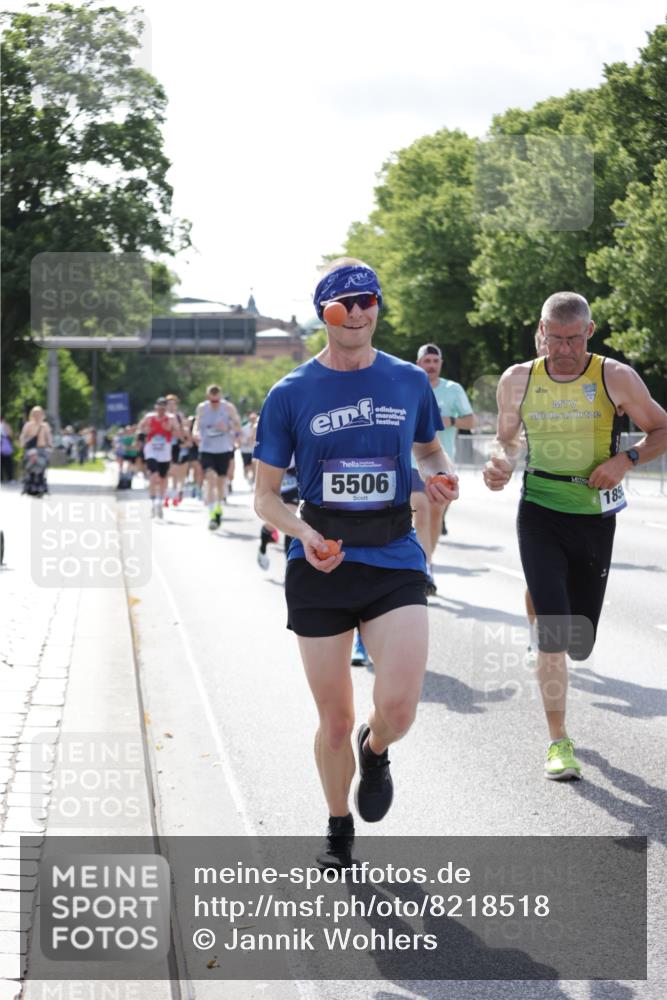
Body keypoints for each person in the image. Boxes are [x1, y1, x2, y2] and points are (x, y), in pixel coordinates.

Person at [253, 257, 458, 869]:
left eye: (369, 300)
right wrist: (302, 532)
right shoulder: (290, 393)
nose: (361, 311)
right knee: (335, 718)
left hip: (394, 554)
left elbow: (427, 449)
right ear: (325, 313)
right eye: (346, 303)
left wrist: (438, 475)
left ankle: (378, 750)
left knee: (396, 709)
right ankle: (339, 823)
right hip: (320, 561)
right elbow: (265, 496)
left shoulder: (407, 381)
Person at [483, 291, 667, 781]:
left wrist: (624, 461)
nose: (562, 350)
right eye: (553, 339)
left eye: (572, 340)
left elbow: (661, 430)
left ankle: (549, 621)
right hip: (539, 508)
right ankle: (558, 741)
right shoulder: (518, 378)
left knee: (579, 639)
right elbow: (507, 437)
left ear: (589, 332)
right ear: (540, 331)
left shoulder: (615, 377)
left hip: (593, 516)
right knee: (555, 633)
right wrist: (499, 464)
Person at [409, 344, 475, 593]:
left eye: (435, 361)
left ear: (441, 363)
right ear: (418, 363)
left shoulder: (452, 389)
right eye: (427, 360)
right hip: (412, 462)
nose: (431, 365)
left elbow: (472, 420)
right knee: (422, 513)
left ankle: (427, 561)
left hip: (442, 465)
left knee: (435, 517)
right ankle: (423, 569)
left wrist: (453, 421)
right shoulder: (410, 386)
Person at [524, 326, 548, 665]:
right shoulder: (524, 381)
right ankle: (538, 640)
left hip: (590, 501)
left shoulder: (596, 377)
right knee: (540, 577)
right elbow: (507, 436)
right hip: (539, 495)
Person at [193, 384, 241, 530]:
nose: (216, 403)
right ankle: (212, 514)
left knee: (221, 483)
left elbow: (238, 426)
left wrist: (228, 428)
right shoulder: (202, 408)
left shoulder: (228, 408)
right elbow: (197, 422)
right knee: (211, 478)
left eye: (218, 400)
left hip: (223, 449)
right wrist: (195, 432)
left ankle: (218, 508)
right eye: (213, 401)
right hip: (207, 450)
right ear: (208, 398)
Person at [138, 397, 180, 518]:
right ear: (155, 407)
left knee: (163, 478)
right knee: (153, 475)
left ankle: (159, 503)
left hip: (165, 451)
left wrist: (170, 429)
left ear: (166, 408)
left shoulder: (171, 418)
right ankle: (152, 502)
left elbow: (178, 434)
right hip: (151, 449)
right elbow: (140, 428)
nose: (161, 410)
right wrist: (146, 430)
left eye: (163, 408)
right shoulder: (149, 417)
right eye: (159, 407)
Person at [19, 406, 53, 496]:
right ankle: (30, 480)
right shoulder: (28, 425)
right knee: (30, 462)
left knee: (43, 462)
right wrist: (22, 444)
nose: (37, 416)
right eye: (35, 414)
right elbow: (23, 436)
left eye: (39, 414)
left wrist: (50, 444)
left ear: (42, 415)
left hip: (41, 449)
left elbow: (49, 437)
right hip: (30, 450)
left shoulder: (45, 426)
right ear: (32, 415)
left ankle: (40, 481)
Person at [239, 412, 259, 486]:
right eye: (251, 419)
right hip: (245, 450)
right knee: (247, 466)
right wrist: (246, 441)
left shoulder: (259, 427)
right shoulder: (244, 428)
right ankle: (247, 476)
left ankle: (254, 478)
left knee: (254, 464)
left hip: (254, 450)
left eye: (254, 418)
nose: (253, 420)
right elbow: (240, 438)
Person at [1, 416, 15, 482]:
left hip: (6, 448)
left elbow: (10, 434)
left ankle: (10, 478)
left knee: (8, 464)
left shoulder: (6, 426)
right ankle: (2, 479)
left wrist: (5, 427)